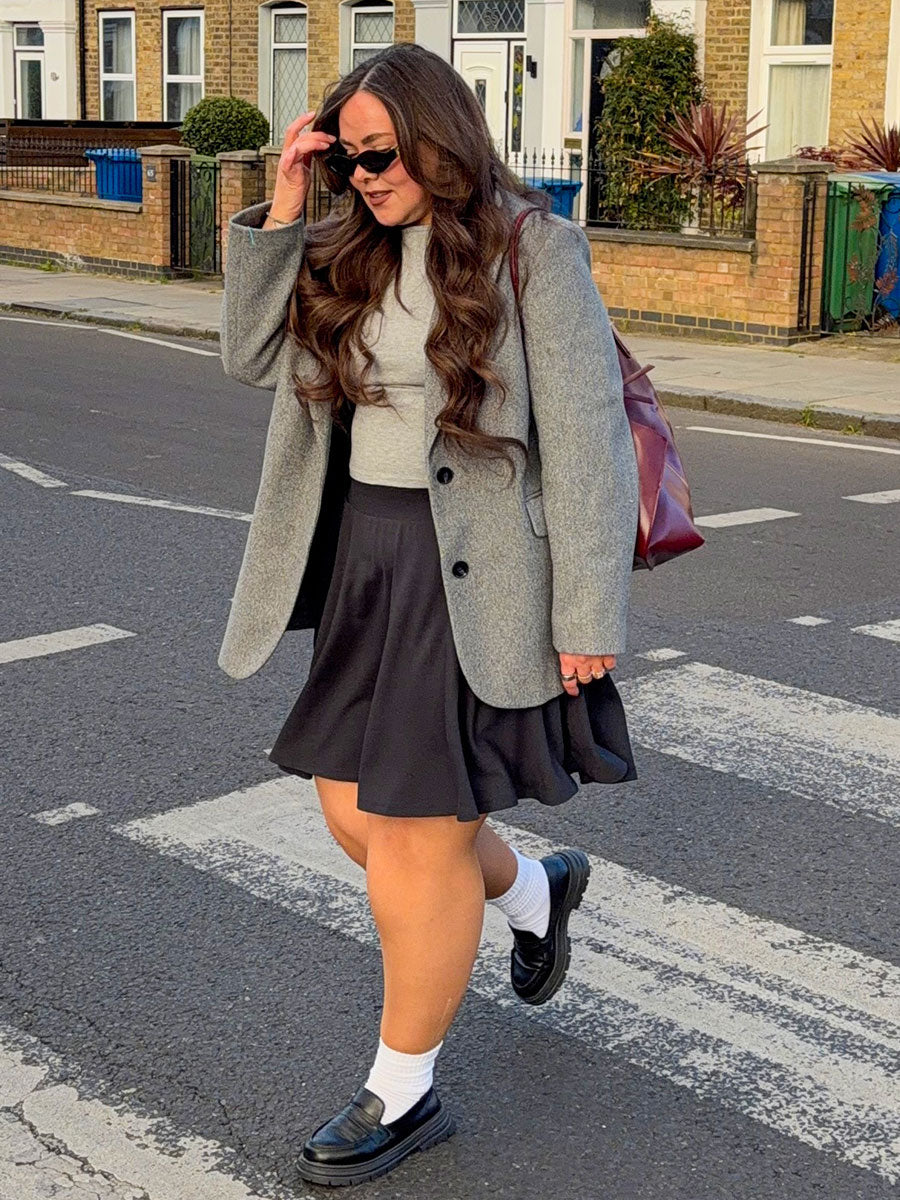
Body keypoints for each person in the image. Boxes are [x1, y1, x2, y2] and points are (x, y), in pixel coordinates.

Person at [218, 42, 639, 1188]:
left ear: (438, 136)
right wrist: (286, 202)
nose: (366, 176)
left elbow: (591, 440)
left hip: (475, 576)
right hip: (367, 563)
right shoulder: (341, 244)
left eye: (382, 155)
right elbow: (245, 355)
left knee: (415, 838)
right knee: (356, 813)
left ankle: (402, 1091)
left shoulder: (530, 248)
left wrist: (588, 611)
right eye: (349, 158)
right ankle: (536, 893)